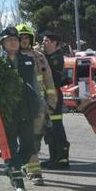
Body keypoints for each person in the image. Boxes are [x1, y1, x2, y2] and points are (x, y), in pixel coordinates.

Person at [0, 27, 38, 191]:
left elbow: (36, 86)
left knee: (30, 146)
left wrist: (41, 106)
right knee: (11, 148)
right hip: (7, 111)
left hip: (26, 109)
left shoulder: (29, 60)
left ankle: (11, 168)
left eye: (15, 39)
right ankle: (18, 183)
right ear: (3, 44)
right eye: (9, 40)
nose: (13, 42)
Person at [16, 23, 57, 186]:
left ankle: (30, 166)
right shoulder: (13, 57)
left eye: (26, 37)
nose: (24, 40)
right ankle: (34, 171)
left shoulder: (39, 56)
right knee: (27, 138)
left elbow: (49, 81)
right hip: (21, 105)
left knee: (35, 139)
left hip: (39, 105)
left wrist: (51, 104)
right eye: (21, 38)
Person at [41, 31, 71, 170]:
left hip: (55, 97)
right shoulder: (48, 56)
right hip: (48, 96)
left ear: (55, 43)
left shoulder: (55, 58)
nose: (43, 43)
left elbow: (51, 77)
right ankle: (53, 157)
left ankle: (62, 158)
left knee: (56, 127)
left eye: (46, 41)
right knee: (50, 128)